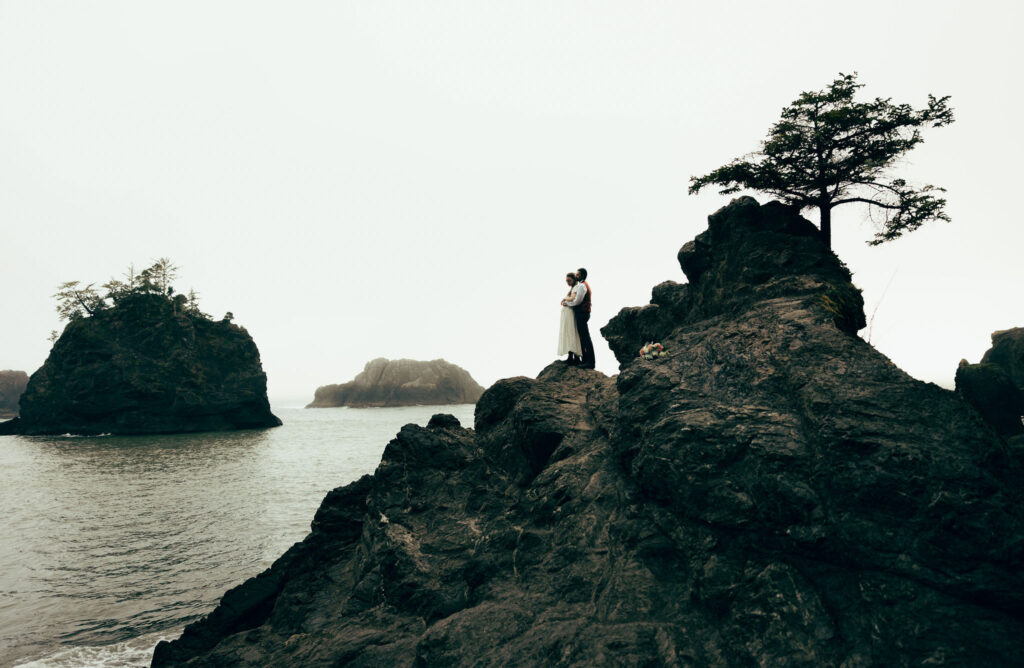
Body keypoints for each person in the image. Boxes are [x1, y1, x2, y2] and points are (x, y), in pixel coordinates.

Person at [562, 267, 595, 369]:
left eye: (577, 274)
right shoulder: (580, 285)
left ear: (581, 275)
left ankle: (590, 362)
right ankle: (585, 360)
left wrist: (566, 303)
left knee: (585, 338)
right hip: (582, 313)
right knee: (582, 337)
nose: (576, 276)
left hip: (582, 313)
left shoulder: (582, 286)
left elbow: (577, 301)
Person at [558, 272, 583, 364]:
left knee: (571, 332)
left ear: (574, 280)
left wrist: (565, 300)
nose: (567, 283)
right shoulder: (573, 288)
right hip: (567, 313)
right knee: (568, 333)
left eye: (569, 280)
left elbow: (573, 297)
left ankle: (574, 356)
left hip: (570, 313)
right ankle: (571, 356)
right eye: (566, 281)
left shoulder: (576, 288)